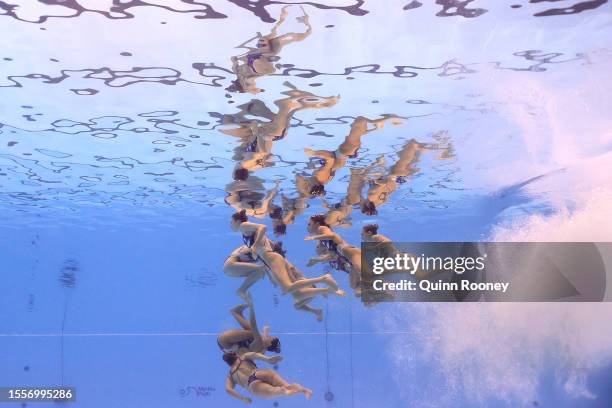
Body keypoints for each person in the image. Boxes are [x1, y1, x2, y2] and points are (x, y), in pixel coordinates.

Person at [224, 351, 312, 403]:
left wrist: (243, 398)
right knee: (288, 386)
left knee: (277, 391)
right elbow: (254, 354)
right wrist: (267, 359)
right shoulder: (243, 357)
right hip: (258, 372)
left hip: (251, 384)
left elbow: (228, 390)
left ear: (228, 364)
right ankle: (304, 390)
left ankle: (283, 391)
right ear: (235, 355)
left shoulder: (230, 375)